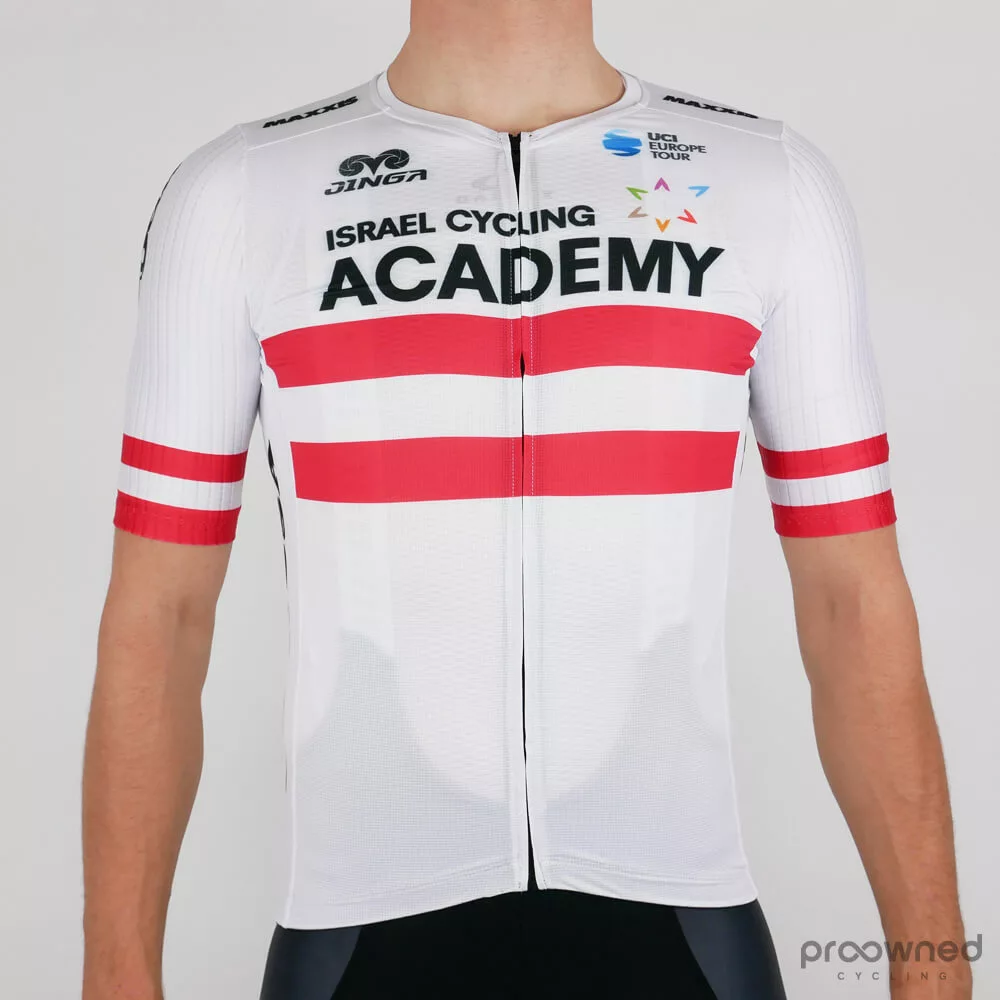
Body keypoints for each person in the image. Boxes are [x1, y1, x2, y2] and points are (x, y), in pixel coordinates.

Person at [82, 1, 972, 998]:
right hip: (361, 934)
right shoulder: (245, 192)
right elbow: (161, 613)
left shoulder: (765, 181)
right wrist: (117, 975)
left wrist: (935, 966)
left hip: (681, 927)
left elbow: (852, 599)